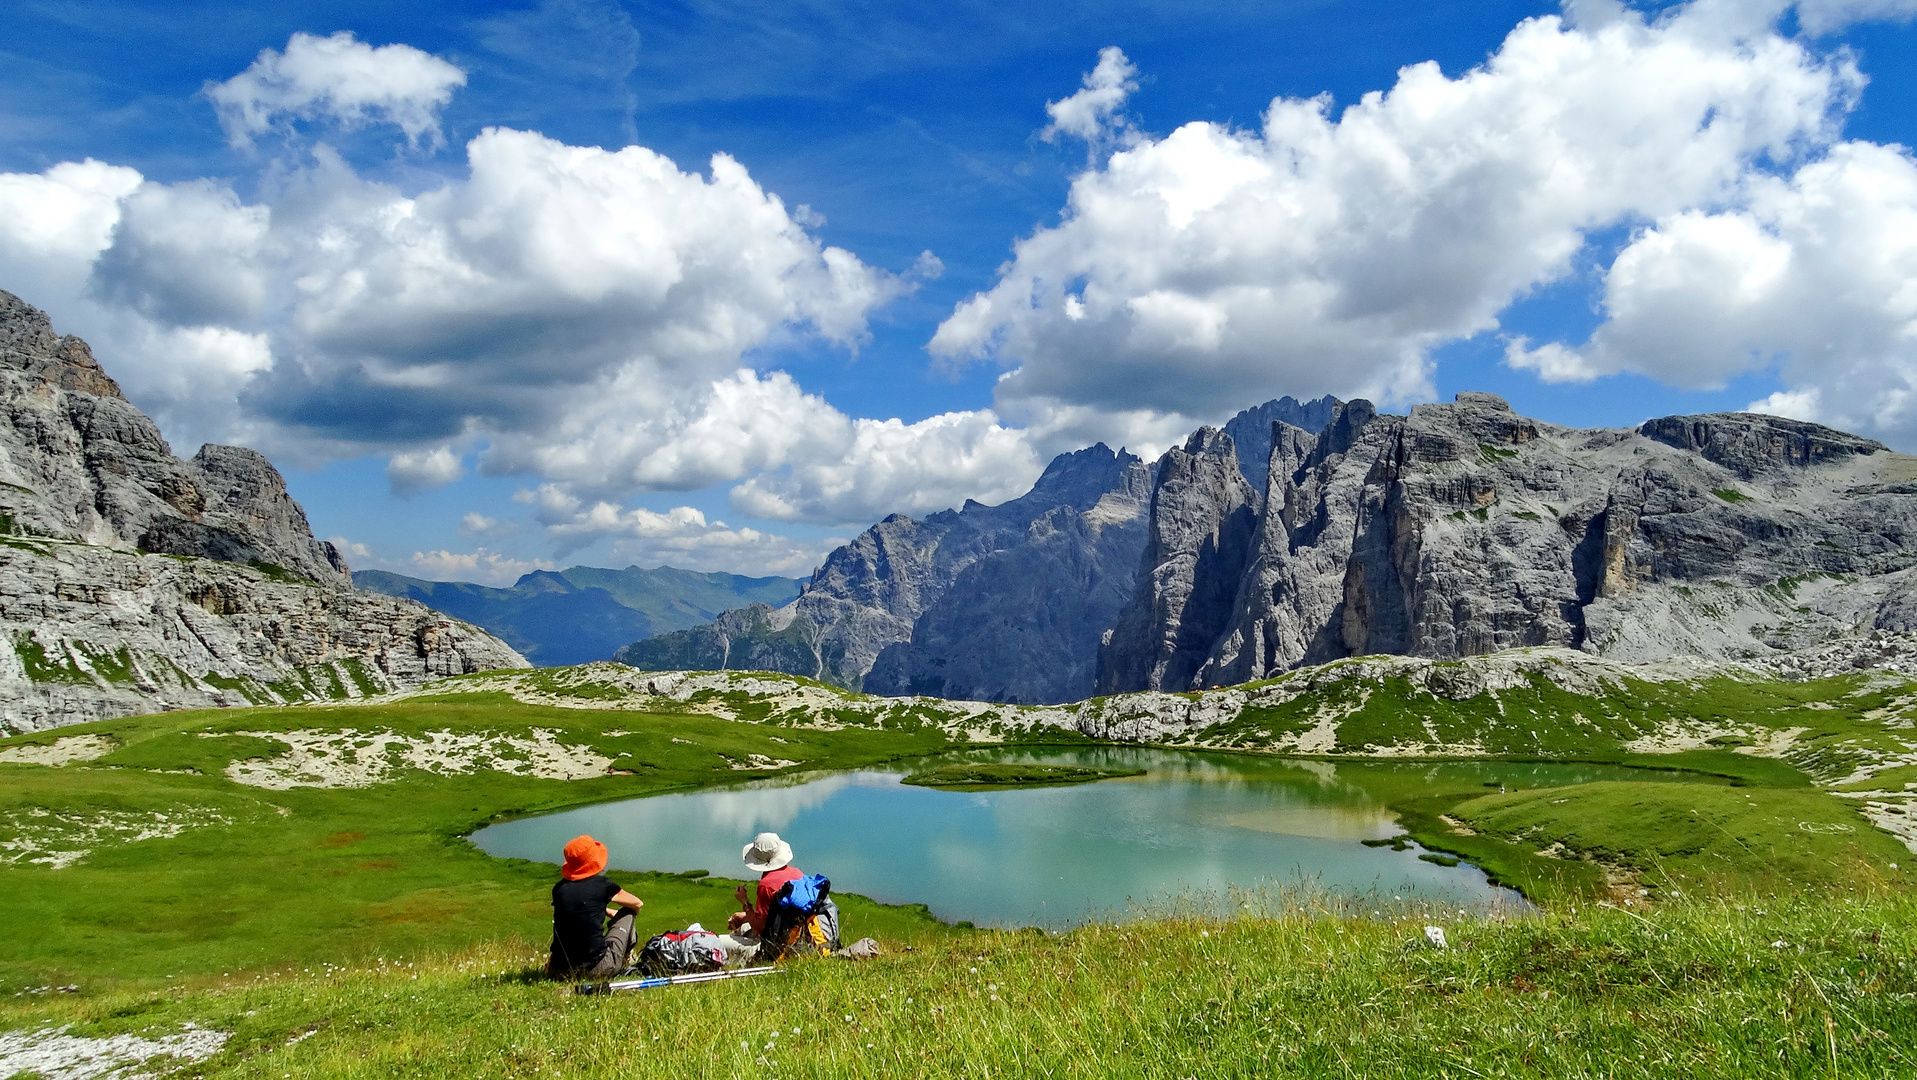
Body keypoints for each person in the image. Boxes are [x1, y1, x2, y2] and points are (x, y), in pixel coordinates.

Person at [547, 834, 644, 979]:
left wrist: (603, 910)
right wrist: (617, 915)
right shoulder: (602, 885)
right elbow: (637, 903)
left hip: (559, 970)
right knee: (628, 912)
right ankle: (627, 958)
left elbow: (578, 908)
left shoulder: (559, 889)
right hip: (598, 968)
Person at [716, 831, 802, 961]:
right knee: (744, 926)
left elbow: (760, 929)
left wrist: (744, 902)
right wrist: (746, 916)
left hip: (775, 948)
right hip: (796, 938)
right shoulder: (797, 874)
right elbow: (777, 915)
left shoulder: (766, 885)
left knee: (717, 941)